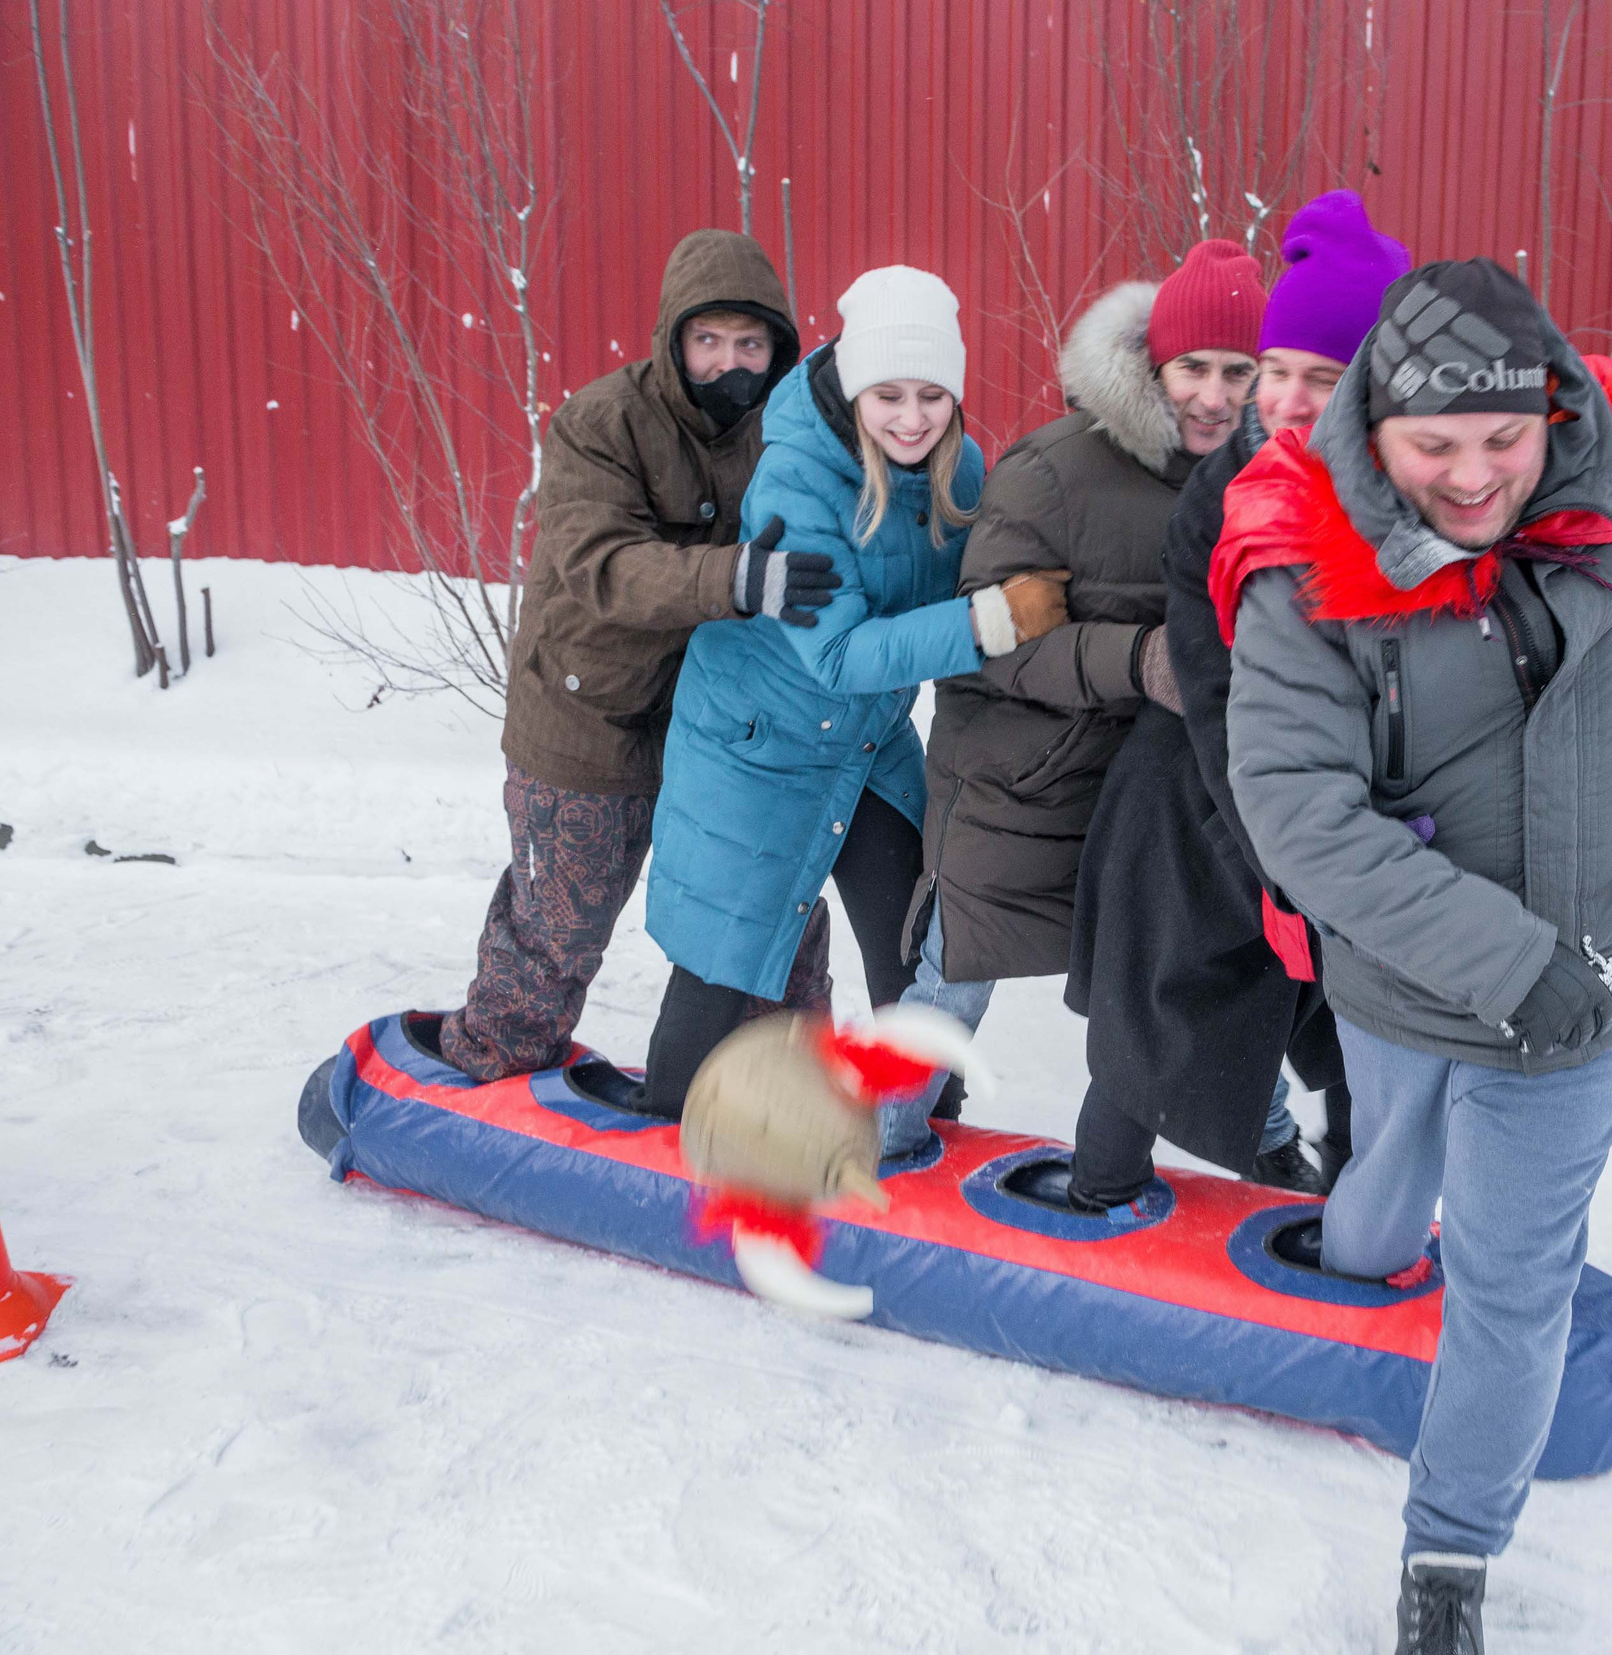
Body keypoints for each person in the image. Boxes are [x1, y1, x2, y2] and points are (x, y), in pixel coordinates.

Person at [1216, 259, 1612, 1652]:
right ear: (1372, 426)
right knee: (1386, 1175)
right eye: (1432, 445)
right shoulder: (1308, 569)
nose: (1471, 477)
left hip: (1593, 992)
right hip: (1407, 981)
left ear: (1550, 416)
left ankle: (1448, 1553)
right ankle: (1356, 1273)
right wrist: (1505, 962)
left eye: (1502, 440)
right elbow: (1302, 816)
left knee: (1513, 1280)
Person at [633, 268, 1070, 1113]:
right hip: (759, 741)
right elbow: (835, 655)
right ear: (855, 387)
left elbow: (977, 583)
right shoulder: (798, 478)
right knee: (725, 963)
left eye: (933, 396)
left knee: (913, 952)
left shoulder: (960, 470)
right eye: (889, 396)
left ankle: (921, 1130)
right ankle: (661, 1131)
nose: (912, 418)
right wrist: (988, 622)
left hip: (867, 742)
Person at [425, 229, 841, 1097]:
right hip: (591, 721)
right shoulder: (599, 423)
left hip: (723, 727)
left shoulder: (789, 428)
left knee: (771, 917)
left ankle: (788, 1093)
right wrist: (735, 576)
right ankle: (483, 1078)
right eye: (708, 340)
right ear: (673, 338)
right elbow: (603, 563)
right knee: (558, 933)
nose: (729, 364)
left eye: (751, 344)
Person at [1061, 191, 1411, 1209]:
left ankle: (1357, 1229)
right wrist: (1289, 856)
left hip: (1339, 817)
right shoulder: (1220, 497)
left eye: (1322, 378)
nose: (1288, 399)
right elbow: (1215, 702)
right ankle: (1095, 1204)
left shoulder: (1407, 494)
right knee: (1151, 1032)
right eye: (1277, 371)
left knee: (1359, 1036)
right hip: (1195, 806)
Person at [887, 240, 1270, 1156]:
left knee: (1209, 976)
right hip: (1025, 781)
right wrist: (1137, 659)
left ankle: (1275, 1139)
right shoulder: (1054, 471)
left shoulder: (1265, 479)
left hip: (1156, 795)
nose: (1214, 395)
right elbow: (990, 644)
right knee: (953, 981)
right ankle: (868, 1143)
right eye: (1192, 368)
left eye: (1238, 371)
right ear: (1152, 365)